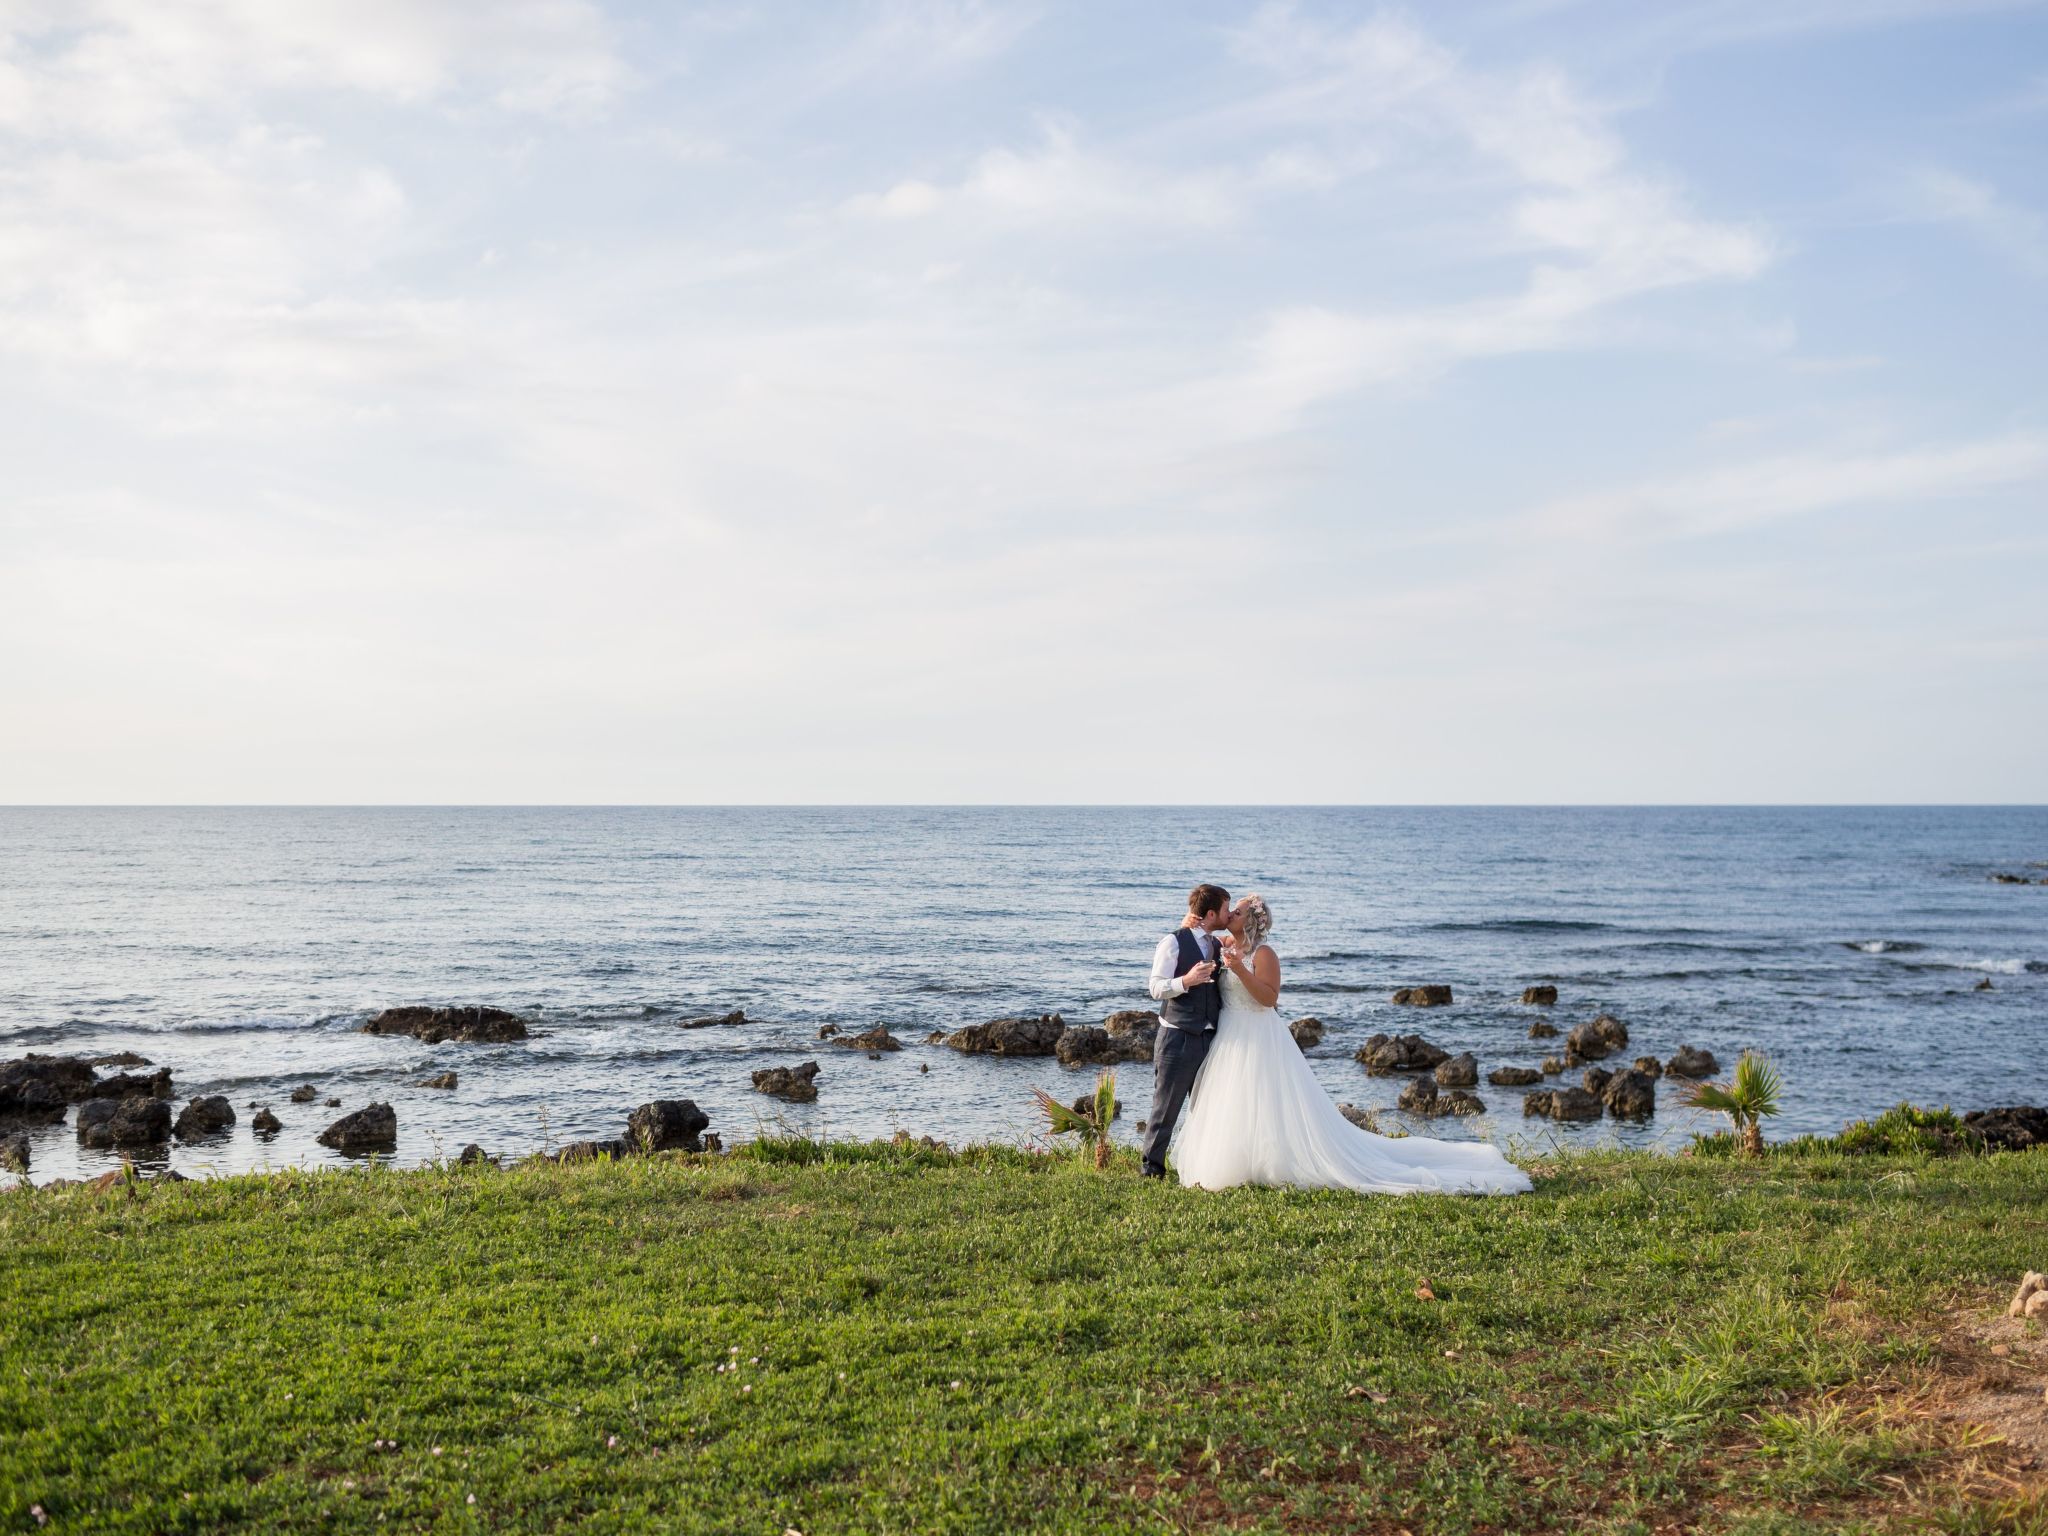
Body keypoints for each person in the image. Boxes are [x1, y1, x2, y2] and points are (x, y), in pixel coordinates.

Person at [1168, 892, 1532, 1196]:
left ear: (1252, 921)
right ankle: (1237, 1160)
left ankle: (1272, 1163)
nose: (1230, 913)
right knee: (1234, 1100)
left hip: (1259, 1034)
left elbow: (1269, 999)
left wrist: (1241, 970)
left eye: (1238, 911)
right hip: (1230, 1034)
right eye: (1230, 909)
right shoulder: (1223, 944)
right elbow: (1197, 945)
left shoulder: (1263, 955)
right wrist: (1189, 927)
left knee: (1269, 1102)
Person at [1139, 882, 1232, 1179]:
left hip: (1210, 1037)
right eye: (1226, 910)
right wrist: (1186, 980)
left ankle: (1202, 1167)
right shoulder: (1173, 942)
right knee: (1166, 1108)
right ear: (1210, 913)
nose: (1228, 915)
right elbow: (1155, 988)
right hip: (1177, 1036)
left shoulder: (1217, 945)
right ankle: (1152, 1169)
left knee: (1207, 1108)